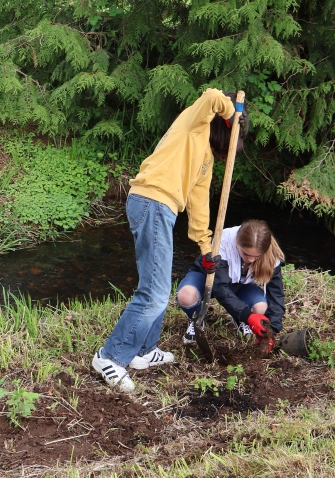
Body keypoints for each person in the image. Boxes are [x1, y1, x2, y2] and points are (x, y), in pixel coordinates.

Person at [92, 89, 248, 392]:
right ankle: (109, 356)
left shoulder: (205, 160)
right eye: (231, 143)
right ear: (223, 129)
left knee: (159, 284)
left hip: (162, 209)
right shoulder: (195, 123)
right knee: (153, 291)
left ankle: (143, 351)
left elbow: (199, 206)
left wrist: (206, 248)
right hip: (151, 201)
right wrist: (232, 114)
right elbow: (213, 95)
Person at [176, 219, 285, 351]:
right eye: (246, 254)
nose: (250, 260)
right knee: (186, 296)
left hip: (239, 284)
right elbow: (220, 287)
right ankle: (196, 320)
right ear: (237, 242)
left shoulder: (270, 251)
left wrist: (271, 329)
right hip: (206, 278)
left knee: (261, 308)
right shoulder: (222, 240)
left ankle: (240, 320)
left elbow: (276, 294)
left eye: (256, 257)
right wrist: (247, 316)